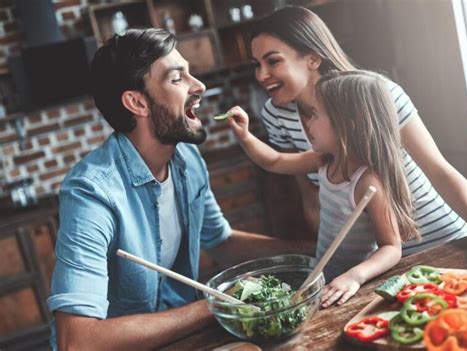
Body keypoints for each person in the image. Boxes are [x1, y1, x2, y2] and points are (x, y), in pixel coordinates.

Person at [46, 28, 315, 351]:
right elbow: (76, 341)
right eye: (177, 79)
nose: (199, 86)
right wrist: (217, 304)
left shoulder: (186, 157)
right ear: (137, 102)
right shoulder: (91, 192)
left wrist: (314, 254)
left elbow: (222, 241)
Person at [250, 6, 467, 253]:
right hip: (379, 263)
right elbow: (313, 200)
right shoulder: (276, 115)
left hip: (446, 241)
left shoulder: (378, 94)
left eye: (273, 61)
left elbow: (439, 171)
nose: (261, 75)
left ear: (312, 58)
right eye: (257, 64)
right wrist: (333, 263)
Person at [226, 70, 421, 307]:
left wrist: (353, 277)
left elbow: (392, 247)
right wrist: (245, 136)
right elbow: (274, 161)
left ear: (346, 126)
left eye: (315, 115)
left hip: (351, 291)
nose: (308, 123)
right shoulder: (325, 159)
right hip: (325, 280)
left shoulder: (367, 183)